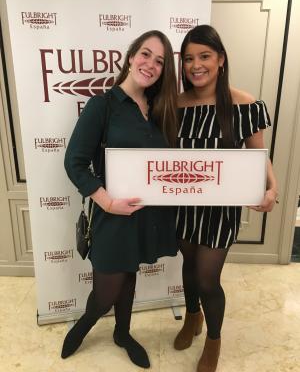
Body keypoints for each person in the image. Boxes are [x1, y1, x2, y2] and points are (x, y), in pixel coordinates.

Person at [61, 30, 178, 368]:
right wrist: (108, 202)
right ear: (130, 57)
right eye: (145, 54)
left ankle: (123, 333)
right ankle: (85, 324)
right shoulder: (104, 105)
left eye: (159, 61)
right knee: (105, 292)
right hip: (112, 215)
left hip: (147, 216)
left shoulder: (159, 109)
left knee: (130, 275)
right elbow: (74, 162)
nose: (151, 65)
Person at [174, 25, 278, 372]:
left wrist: (272, 188)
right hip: (184, 204)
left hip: (221, 209)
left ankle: (213, 339)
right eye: (189, 58)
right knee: (188, 267)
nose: (196, 65)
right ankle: (192, 316)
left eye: (204, 56)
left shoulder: (244, 104)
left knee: (207, 278)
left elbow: (258, 156)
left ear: (220, 59)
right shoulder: (175, 104)